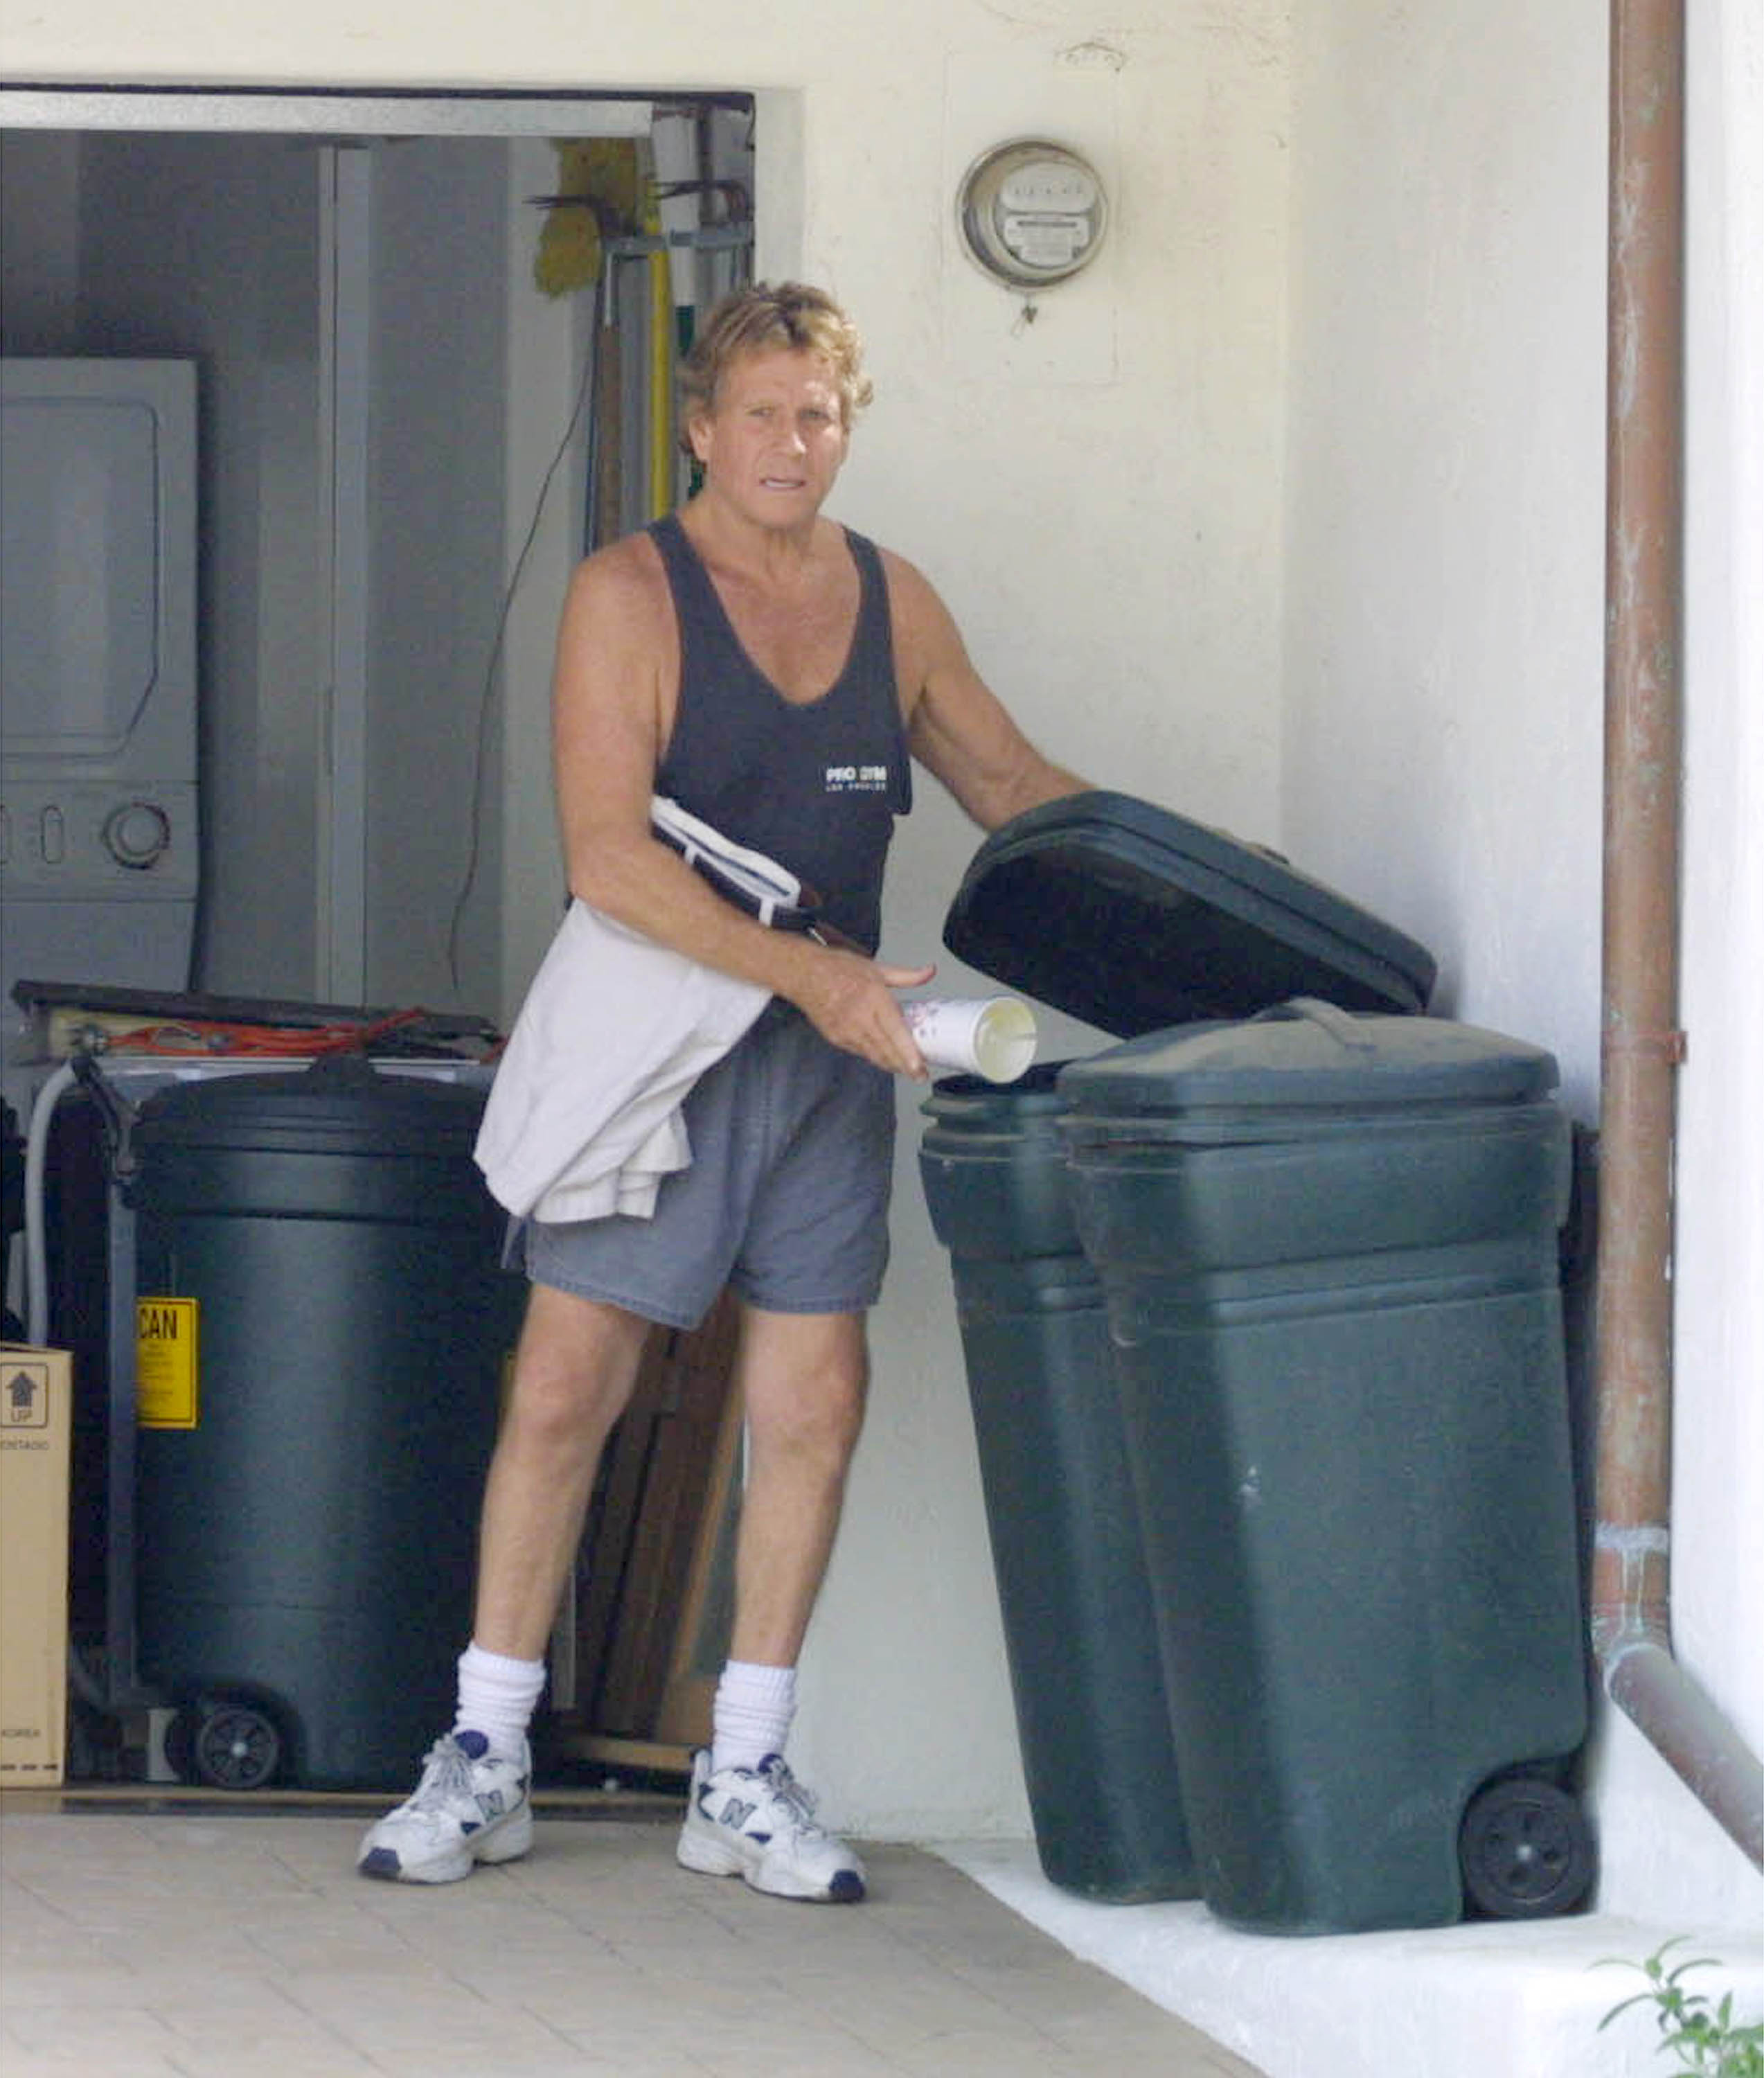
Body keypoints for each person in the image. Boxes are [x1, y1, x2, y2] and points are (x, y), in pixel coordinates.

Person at [357, 281, 1086, 1901]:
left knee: (812, 1407)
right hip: (659, 1043)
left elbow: (1018, 790)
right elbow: (607, 857)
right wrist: (815, 978)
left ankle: (742, 1770)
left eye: (816, 413)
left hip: (830, 1061)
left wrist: (1180, 882)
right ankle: (482, 1753)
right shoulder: (631, 593)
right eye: (757, 413)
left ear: (847, 428)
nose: (787, 441)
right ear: (699, 428)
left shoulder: (893, 602)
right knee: (563, 1386)